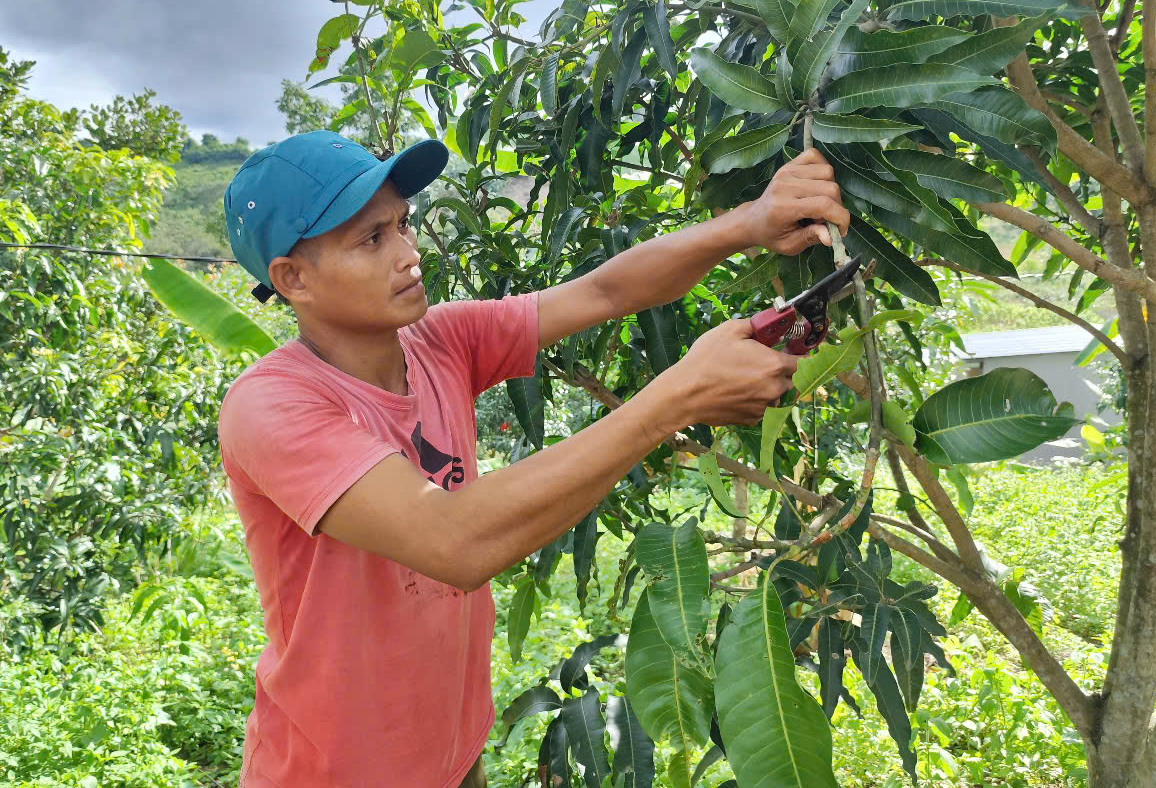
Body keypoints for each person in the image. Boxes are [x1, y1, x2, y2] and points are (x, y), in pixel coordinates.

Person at [217, 129, 849, 788]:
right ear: (293, 279)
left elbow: (606, 293)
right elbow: (452, 542)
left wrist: (750, 223)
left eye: (403, 225)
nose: (409, 255)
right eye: (372, 240)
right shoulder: (272, 406)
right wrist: (677, 397)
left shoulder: (437, 341)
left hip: (454, 756)